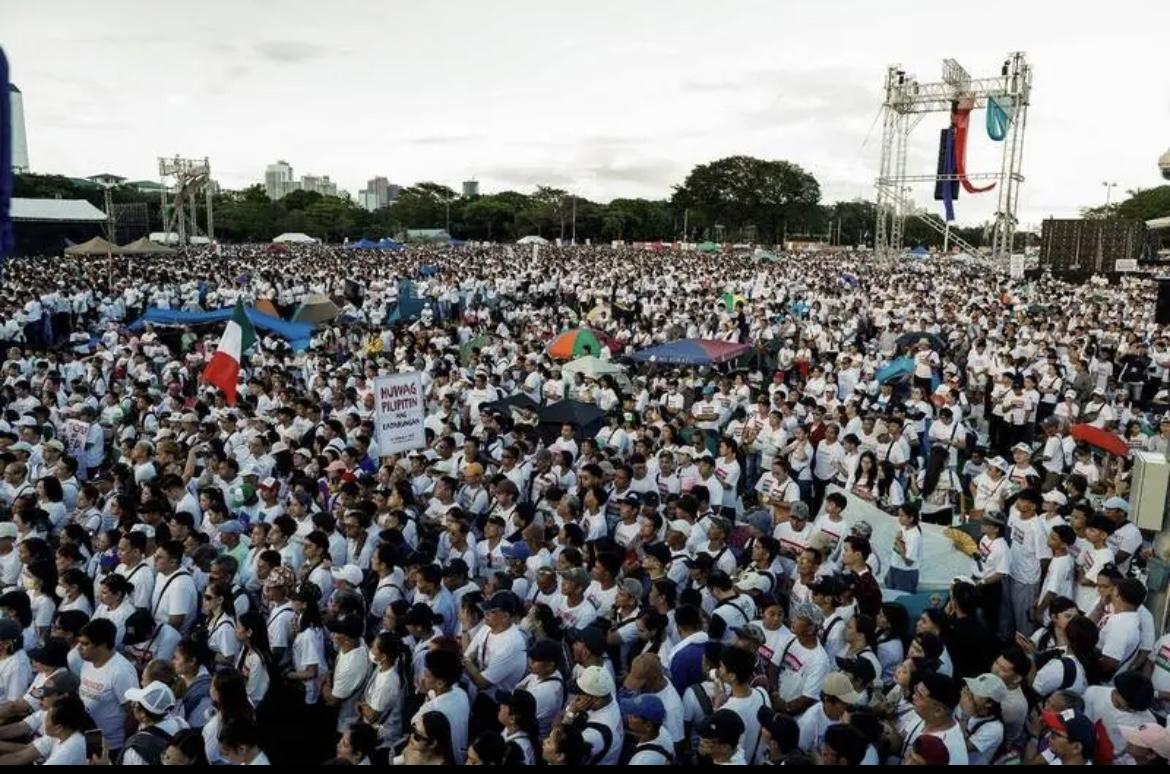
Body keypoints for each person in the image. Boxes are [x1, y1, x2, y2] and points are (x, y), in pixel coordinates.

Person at [76, 617, 139, 754]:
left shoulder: (121, 672)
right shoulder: (87, 662)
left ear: (103, 645)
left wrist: (124, 746)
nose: (79, 648)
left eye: (85, 644)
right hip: (89, 737)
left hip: (111, 745)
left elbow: (133, 713)